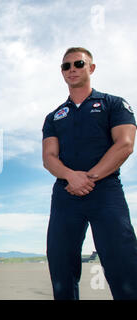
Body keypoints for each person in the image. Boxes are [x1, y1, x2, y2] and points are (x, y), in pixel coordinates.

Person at [42, 47, 137, 300]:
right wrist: (71, 177)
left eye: (78, 64)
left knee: (122, 262)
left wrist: (89, 178)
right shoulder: (54, 116)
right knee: (61, 264)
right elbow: (49, 158)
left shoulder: (114, 104)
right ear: (62, 73)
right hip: (65, 195)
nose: (72, 69)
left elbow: (125, 144)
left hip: (105, 192)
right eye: (66, 66)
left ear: (91, 68)